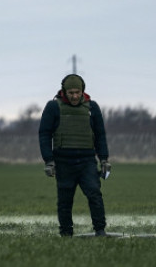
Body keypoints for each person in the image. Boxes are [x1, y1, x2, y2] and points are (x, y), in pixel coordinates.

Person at [38, 73, 110, 237]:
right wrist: (49, 160)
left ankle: (100, 230)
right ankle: (66, 233)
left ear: (82, 91)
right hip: (63, 161)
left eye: (77, 92)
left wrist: (104, 159)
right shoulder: (53, 107)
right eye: (71, 93)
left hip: (87, 161)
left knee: (94, 194)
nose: (75, 96)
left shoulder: (92, 108)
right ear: (64, 92)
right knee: (65, 199)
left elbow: (100, 135)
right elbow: (44, 134)